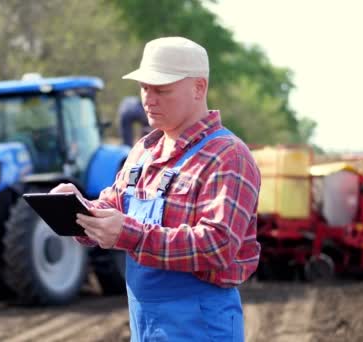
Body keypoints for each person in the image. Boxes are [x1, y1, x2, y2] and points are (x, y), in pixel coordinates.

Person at [51, 36, 261, 341]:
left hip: (200, 329)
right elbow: (114, 207)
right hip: (146, 328)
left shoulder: (228, 156)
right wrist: (79, 210)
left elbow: (218, 246)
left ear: (198, 88)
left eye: (162, 89)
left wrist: (128, 234)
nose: (148, 99)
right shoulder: (144, 151)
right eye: (145, 88)